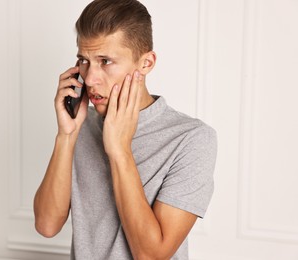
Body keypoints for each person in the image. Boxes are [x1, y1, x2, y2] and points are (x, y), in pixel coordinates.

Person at [33, 0, 217, 259]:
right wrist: (67, 135)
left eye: (105, 61)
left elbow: (151, 255)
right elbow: (46, 225)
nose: (91, 78)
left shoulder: (191, 139)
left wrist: (119, 150)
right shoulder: (80, 125)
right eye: (83, 60)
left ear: (146, 63)